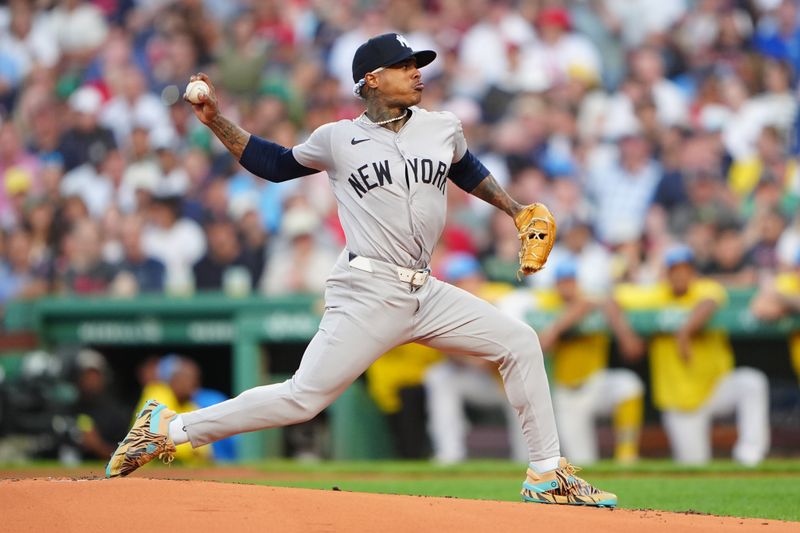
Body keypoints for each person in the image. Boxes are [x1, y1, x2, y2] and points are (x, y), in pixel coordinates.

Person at [106, 33, 616, 507]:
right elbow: (274, 164)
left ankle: (546, 472)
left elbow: (467, 170)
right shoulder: (337, 139)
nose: (417, 72)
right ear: (371, 79)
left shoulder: (442, 127)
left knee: (520, 342)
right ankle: (168, 429)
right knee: (303, 398)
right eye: (404, 66)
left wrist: (514, 209)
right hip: (367, 290)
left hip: (427, 290)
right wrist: (216, 119)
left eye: (418, 65)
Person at [615, 245, 770, 465]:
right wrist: (625, 335)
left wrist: (685, 331)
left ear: (693, 272)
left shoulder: (706, 288)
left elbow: (709, 302)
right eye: (674, 270)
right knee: (695, 467)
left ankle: (750, 452)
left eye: (685, 269)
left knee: (751, 382)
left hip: (715, 387)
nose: (680, 274)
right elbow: (610, 299)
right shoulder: (656, 294)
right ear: (667, 274)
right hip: (679, 403)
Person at [534, 260, 645, 465]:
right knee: (581, 463)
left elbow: (597, 302)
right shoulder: (546, 305)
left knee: (629, 385)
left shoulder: (590, 301)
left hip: (595, 383)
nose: (566, 286)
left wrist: (555, 330)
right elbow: (541, 345)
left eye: (570, 281)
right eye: (562, 282)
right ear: (555, 285)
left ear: (577, 282)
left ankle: (627, 454)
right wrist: (556, 330)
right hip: (565, 394)